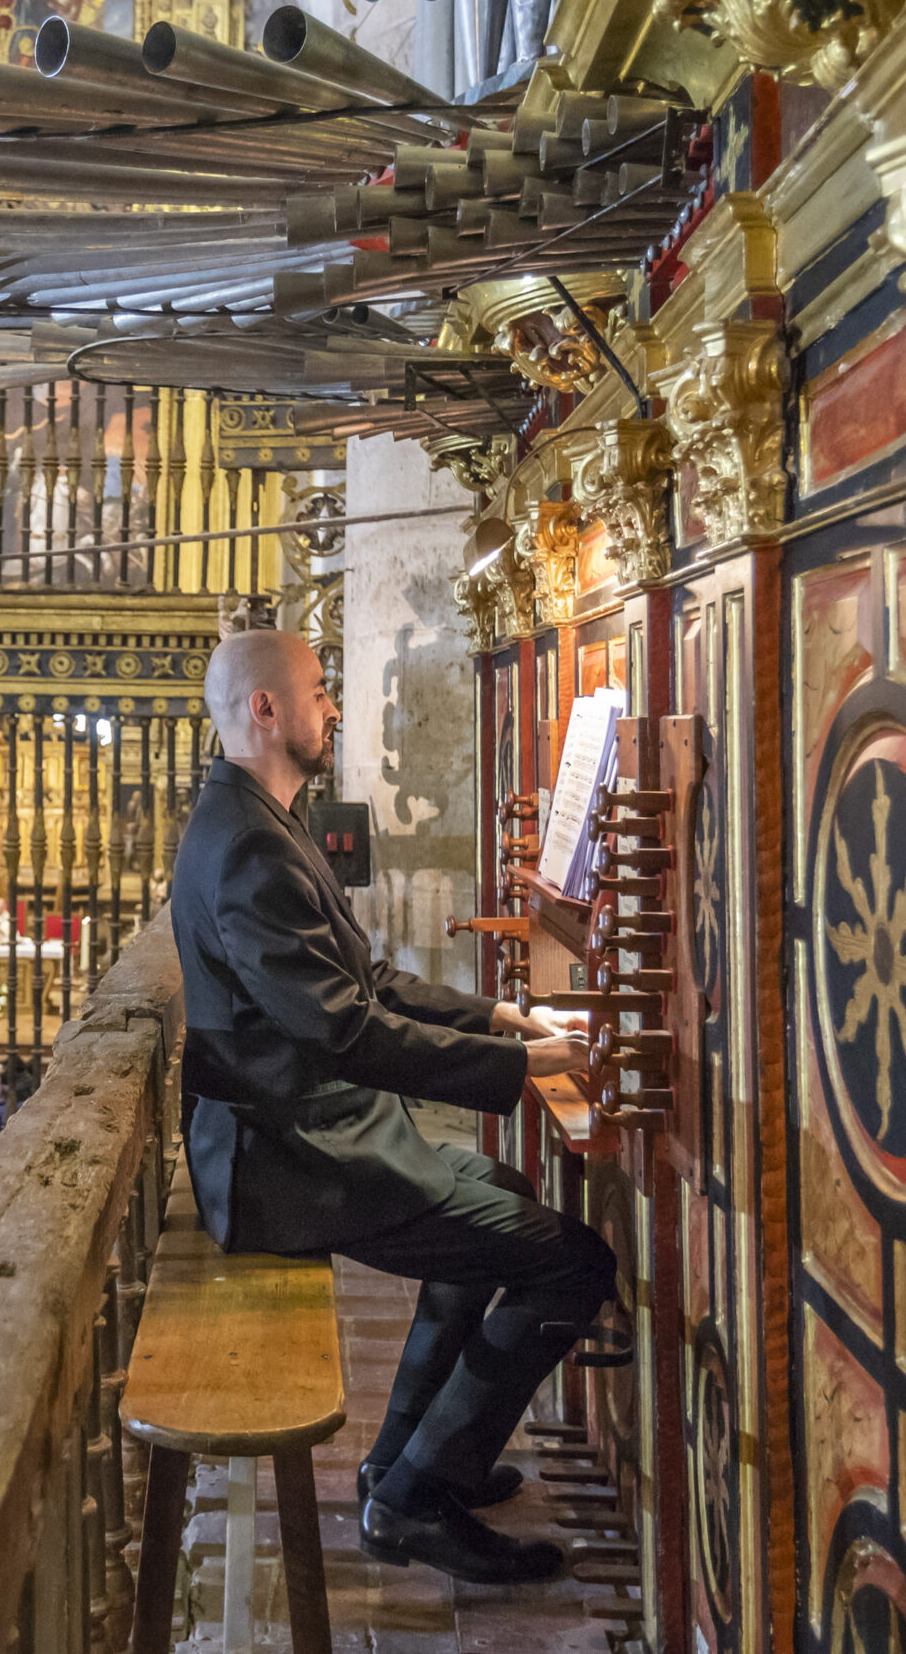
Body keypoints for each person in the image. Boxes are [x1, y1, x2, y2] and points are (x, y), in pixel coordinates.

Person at [171, 629, 606, 1587]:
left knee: (501, 1186)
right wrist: (521, 1065)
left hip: (305, 1132)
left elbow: (362, 982)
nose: (333, 708)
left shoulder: (262, 818)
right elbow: (348, 1033)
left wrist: (501, 1017)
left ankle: (405, 1461)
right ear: (266, 709)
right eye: (319, 690)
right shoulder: (247, 847)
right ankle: (416, 1497)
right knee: (572, 1262)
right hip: (284, 1160)